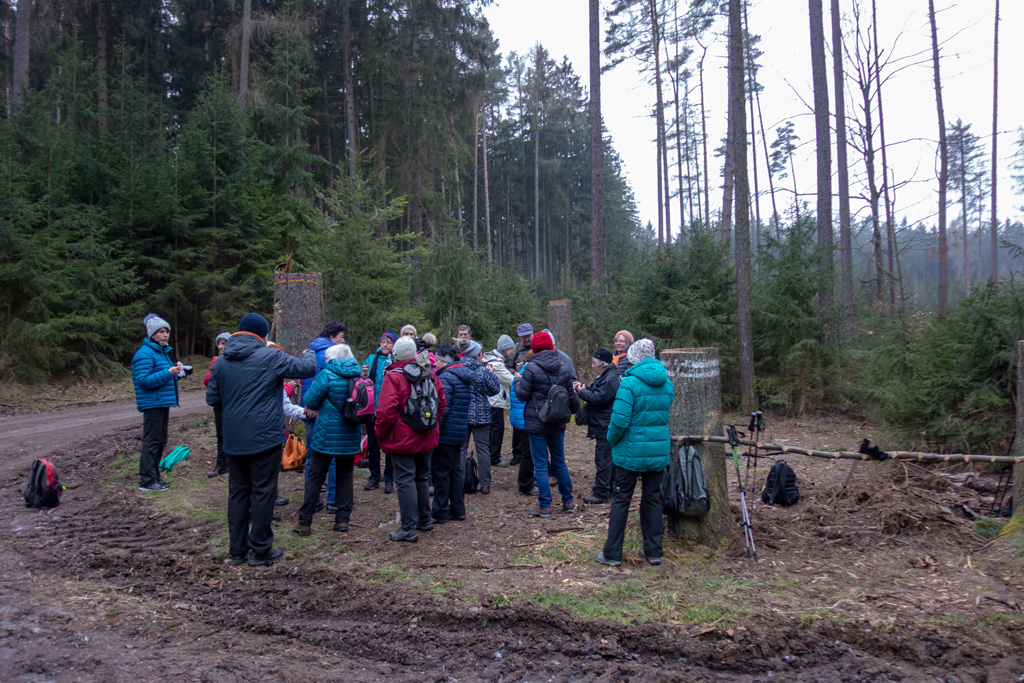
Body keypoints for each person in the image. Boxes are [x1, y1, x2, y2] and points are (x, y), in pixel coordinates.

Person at [206, 313, 317, 567]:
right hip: (265, 437)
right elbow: (306, 368)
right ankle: (260, 550)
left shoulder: (221, 362)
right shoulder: (270, 356)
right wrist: (309, 352)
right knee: (263, 491)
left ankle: (237, 551)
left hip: (234, 439)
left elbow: (213, 398)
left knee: (238, 492)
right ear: (264, 335)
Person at [598, 339, 674, 568]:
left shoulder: (629, 383)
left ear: (634, 357)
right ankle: (653, 551)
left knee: (621, 500)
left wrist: (611, 440)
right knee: (652, 499)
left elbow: (619, 420)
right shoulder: (667, 383)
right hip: (657, 450)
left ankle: (612, 553)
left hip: (630, 452)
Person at [375, 337, 446, 543]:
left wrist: (381, 434)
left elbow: (386, 412)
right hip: (426, 436)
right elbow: (441, 402)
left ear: (395, 354)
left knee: (405, 480)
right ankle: (424, 520)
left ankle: (408, 528)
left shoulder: (393, 377)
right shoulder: (429, 374)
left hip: (402, 438)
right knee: (422, 477)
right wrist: (432, 425)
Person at [293, 344, 362, 536]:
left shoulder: (326, 374)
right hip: (350, 434)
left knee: (316, 475)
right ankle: (342, 520)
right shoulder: (358, 375)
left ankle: (305, 521)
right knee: (345, 476)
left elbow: (311, 401)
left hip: (326, 433)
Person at [513, 331, 579, 517]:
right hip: (557, 421)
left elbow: (522, 395)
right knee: (559, 462)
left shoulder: (531, 368)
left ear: (534, 349)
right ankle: (568, 502)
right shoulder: (564, 367)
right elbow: (571, 397)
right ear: (551, 346)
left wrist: (518, 381)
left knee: (540, 464)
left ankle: (545, 506)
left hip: (537, 423)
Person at [132, 313, 183, 492]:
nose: (165, 335)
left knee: (160, 441)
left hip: (161, 403)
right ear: (152, 334)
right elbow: (143, 380)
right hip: (152, 404)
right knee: (152, 442)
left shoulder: (161, 352)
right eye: (161, 332)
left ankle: (154, 478)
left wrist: (178, 374)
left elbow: (162, 378)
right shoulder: (145, 354)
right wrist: (169, 373)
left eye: (167, 331)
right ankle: (147, 481)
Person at [301, 321, 347, 509]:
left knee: (312, 455)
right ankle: (333, 498)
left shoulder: (310, 353)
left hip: (309, 408)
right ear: (331, 336)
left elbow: (307, 381)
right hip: (328, 412)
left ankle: (312, 499)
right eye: (341, 337)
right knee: (334, 455)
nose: (342, 341)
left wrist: (308, 404)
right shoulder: (333, 355)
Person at [574, 348, 621, 505]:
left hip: (605, 424)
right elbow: (598, 393)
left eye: (594, 363)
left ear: (603, 364)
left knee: (603, 459)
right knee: (607, 458)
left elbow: (599, 398)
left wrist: (582, 392)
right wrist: (584, 388)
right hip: (604, 423)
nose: (592, 366)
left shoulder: (610, 378)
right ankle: (609, 489)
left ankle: (601, 493)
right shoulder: (607, 376)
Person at [432, 345, 472, 523]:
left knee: (441, 472)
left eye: (437, 360)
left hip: (446, 432)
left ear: (444, 361)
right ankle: (458, 508)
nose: (435, 363)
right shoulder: (462, 375)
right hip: (459, 431)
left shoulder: (446, 378)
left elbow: (443, 408)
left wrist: (434, 426)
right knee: (456, 471)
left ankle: (440, 511)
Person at [458, 339, 500, 494]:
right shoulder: (482, 371)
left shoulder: (458, 369)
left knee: (462, 449)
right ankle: (485, 484)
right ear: (477, 355)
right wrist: (492, 374)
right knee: (483, 449)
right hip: (481, 415)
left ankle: (460, 482)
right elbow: (494, 390)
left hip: (462, 414)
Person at [362, 331, 396, 492]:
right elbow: (364, 380)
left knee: (389, 445)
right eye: (383, 342)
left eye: (388, 342)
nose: (384, 345)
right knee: (373, 445)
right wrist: (362, 373)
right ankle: (374, 476)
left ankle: (389, 478)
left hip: (389, 410)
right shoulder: (372, 359)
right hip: (372, 409)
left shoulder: (396, 360)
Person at [483, 335, 516, 468]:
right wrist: (520, 377)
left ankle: (491, 455)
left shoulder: (493, 360)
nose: (511, 353)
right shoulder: (496, 364)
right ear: (505, 349)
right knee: (497, 429)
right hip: (495, 402)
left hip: (493, 401)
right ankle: (494, 457)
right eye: (510, 350)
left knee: (493, 429)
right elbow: (510, 380)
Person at [204, 332, 232, 478]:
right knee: (221, 433)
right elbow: (207, 381)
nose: (221, 347)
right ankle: (222, 463)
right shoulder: (216, 360)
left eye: (224, 343)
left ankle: (233, 462)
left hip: (234, 402)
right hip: (220, 403)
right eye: (219, 344)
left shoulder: (236, 359)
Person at [509, 364, 537, 497]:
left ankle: (530, 479)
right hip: (526, 419)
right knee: (528, 452)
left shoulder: (519, 375)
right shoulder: (528, 376)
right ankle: (525, 483)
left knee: (527, 451)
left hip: (518, 419)